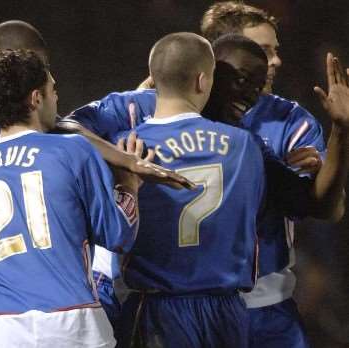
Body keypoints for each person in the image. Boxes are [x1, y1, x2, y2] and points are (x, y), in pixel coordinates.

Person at [0, 18, 192, 348]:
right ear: (34, 95)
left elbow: (61, 129)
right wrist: (126, 178)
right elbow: (113, 230)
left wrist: (125, 158)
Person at [0, 48, 141, 348]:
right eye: (53, 90)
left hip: (1, 332)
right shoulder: (73, 150)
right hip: (72, 324)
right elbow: (118, 236)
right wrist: (129, 183)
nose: (57, 99)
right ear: (36, 98)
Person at [107, 31, 267, 348]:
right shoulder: (244, 145)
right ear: (202, 81)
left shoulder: (125, 149)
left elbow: (115, 231)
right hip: (226, 309)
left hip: (158, 308)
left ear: (153, 79)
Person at [200, 3, 328, 347]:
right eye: (263, 51)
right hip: (192, 299)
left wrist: (340, 139)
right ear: (223, 55)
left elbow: (325, 206)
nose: (275, 61)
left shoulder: (292, 120)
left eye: (276, 51)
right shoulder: (173, 111)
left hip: (266, 302)